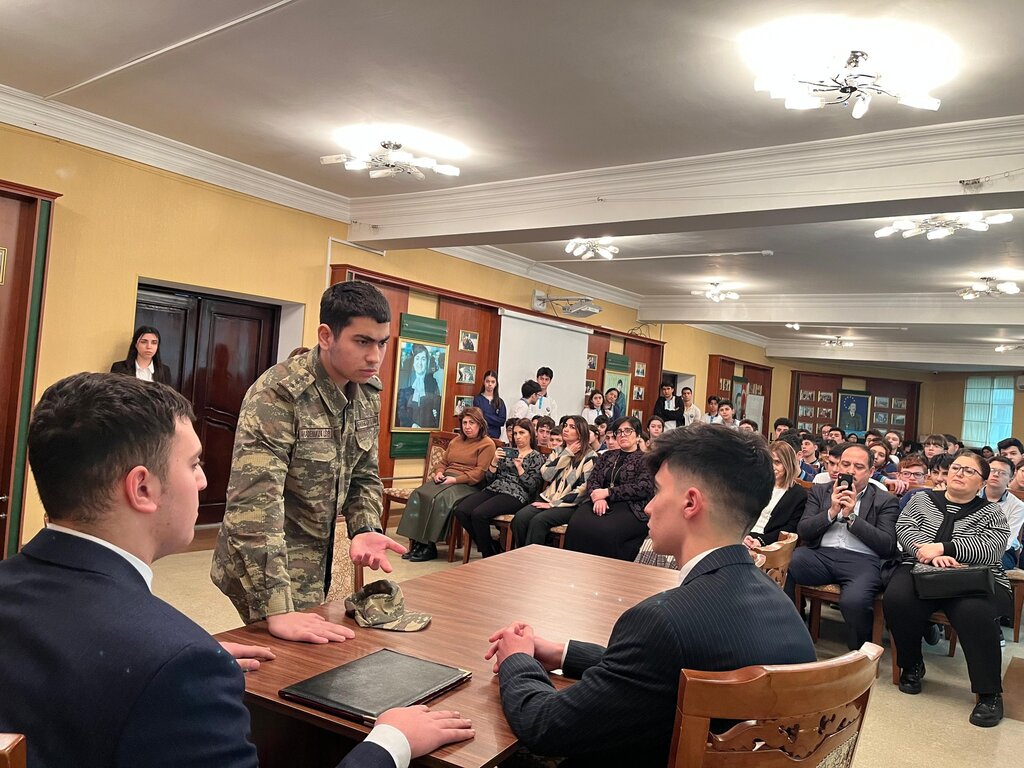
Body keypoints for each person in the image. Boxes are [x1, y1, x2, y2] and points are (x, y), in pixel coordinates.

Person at [0, 372, 473, 768]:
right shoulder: (180, 663)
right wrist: (391, 742)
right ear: (142, 489)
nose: (204, 480)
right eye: (194, 464)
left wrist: (170, 663)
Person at [485, 423, 816, 767]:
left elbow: (545, 726)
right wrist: (564, 653)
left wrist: (517, 659)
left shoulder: (661, 621)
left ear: (690, 503)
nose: (648, 507)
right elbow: (658, 671)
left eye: (657, 492)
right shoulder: (781, 605)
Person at [212, 281, 406, 643]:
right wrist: (276, 607)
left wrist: (365, 526)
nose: (374, 357)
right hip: (265, 561)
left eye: (382, 343)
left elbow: (364, 474)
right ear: (326, 336)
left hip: (318, 553)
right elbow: (254, 506)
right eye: (362, 342)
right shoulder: (278, 395)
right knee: (288, 662)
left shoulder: (366, 391)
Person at [884, 451, 1011, 727]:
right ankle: (912, 664)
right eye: (956, 467)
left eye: (969, 471)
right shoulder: (921, 499)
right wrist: (928, 555)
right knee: (897, 598)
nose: (959, 473)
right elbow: (905, 528)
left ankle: (989, 693)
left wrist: (945, 549)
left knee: (974, 613)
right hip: (921, 567)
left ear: (982, 482)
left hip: (970, 577)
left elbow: (992, 549)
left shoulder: (992, 512)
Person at [788, 443, 899, 650]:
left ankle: (860, 651)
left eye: (858, 466)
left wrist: (852, 517)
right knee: (787, 564)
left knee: (854, 602)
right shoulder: (821, 491)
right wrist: (831, 512)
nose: (850, 471)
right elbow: (804, 530)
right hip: (821, 556)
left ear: (871, 472)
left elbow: (887, 545)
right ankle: (791, 632)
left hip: (863, 561)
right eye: (845, 464)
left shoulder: (885, 500)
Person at [396, 408, 496, 563]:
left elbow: (479, 474)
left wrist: (455, 480)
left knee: (439, 499)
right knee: (419, 494)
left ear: (480, 424)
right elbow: (443, 462)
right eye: (464, 423)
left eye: (472, 423)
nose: (467, 427)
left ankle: (429, 545)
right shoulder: (456, 441)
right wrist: (439, 473)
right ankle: (418, 543)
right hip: (447, 478)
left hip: (468, 483)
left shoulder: (487, 444)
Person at [565, 416, 655, 561]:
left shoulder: (646, 459)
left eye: (628, 431)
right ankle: (574, 566)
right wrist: (598, 499)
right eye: (619, 432)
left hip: (631, 506)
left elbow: (643, 487)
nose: (623, 435)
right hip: (600, 502)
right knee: (577, 523)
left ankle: (604, 570)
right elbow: (593, 479)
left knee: (606, 530)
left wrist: (607, 492)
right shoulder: (607, 455)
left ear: (638, 435)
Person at [454, 419, 544, 558]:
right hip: (495, 488)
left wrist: (520, 468)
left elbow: (532, 487)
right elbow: (489, 479)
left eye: (522, 433)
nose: (517, 437)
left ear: (531, 435)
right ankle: (491, 546)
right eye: (515, 433)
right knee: (461, 510)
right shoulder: (507, 451)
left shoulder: (536, 457)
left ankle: (487, 554)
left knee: (479, 514)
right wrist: (494, 461)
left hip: (516, 494)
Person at [512, 416, 597, 547]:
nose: (566, 429)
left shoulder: (590, 457)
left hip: (570, 505)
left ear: (581, 432)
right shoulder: (558, 451)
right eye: (565, 426)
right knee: (520, 518)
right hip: (548, 497)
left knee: (538, 521)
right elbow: (546, 475)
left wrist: (554, 504)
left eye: (572, 427)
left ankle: (533, 557)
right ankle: (522, 553)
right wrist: (567, 453)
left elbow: (583, 489)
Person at [743, 441, 808, 548]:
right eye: (769, 461)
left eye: (777, 462)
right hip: (743, 534)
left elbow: (790, 528)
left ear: (788, 464)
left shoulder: (798, 494)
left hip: (768, 542)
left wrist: (761, 541)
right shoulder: (757, 484)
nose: (772, 466)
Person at [980, 455, 1024, 570]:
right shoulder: (972, 495)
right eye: (992, 470)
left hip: (1003, 552)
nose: (995, 474)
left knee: (986, 566)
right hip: (968, 547)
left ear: (1011, 477)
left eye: (1002, 472)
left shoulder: (1018, 506)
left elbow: (1007, 541)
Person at [395, 344, 442, 429]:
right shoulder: (405, 381)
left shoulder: (433, 382)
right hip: (407, 430)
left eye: (423, 359)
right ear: (413, 362)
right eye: (417, 358)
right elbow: (400, 411)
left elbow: (438, 408)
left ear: (427, 362)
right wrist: (412, 425)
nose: (420, 363)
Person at [472, 370, 506, 440]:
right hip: (481, 435)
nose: (490, 384)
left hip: (495, 437)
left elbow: (502, 421)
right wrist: (494, 418)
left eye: (493, 382)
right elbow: (478, 417)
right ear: (484, 382)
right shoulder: (478, 399)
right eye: (487, 381)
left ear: (496, 384)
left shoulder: (500, 402)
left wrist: (485, 415)